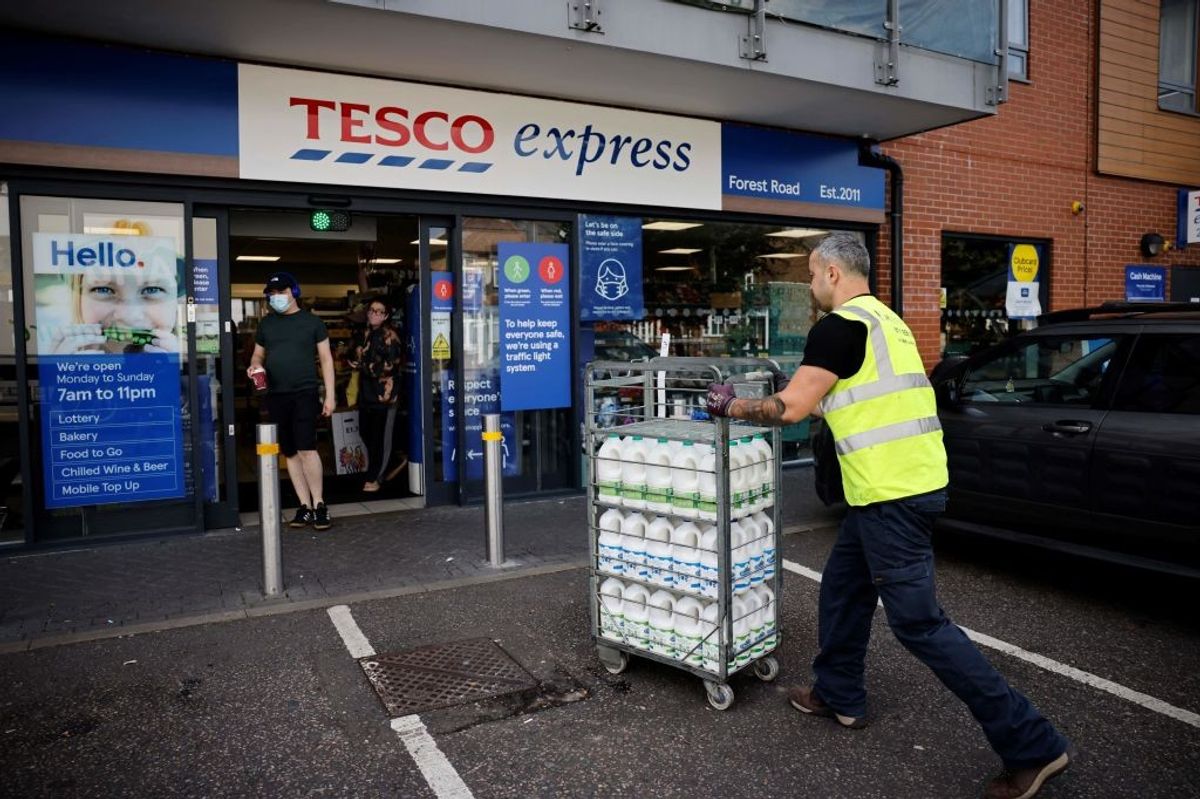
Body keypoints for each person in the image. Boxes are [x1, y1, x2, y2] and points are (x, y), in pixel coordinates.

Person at [706, 233, 1072, 799]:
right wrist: (783, 388)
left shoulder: (838, 327)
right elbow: (831, 393)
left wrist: (731, 405)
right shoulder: (889, 324)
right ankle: (838, 693)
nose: (808, 286)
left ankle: (1033, 744)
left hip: (891, 497)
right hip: (904, 487)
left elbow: (793, 408)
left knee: (921, 625)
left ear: (831, 272)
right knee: (844, 590)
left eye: (809, 275)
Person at [247, 272, 335, 531]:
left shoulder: (313, 323)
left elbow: (327, 360)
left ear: (293, 292)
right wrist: (254, 368)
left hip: (305, 392)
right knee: (290, 452)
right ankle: (304, 506)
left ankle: (319, 505)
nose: (276, 298)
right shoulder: (267, 325)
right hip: (276, 394)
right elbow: (257, 356)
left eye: (280, 292)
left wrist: (330, 396)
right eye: (271, 294)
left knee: (307, 447)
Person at [44, 243, 181, 355]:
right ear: (78, 303)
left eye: (152, 290)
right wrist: (60, 378)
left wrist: (177, 376)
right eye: (104, 290)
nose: (129, 317)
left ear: (175, 303)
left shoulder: (197, 382)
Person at [352, 298, 406, 493]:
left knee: (379, 440)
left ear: (385, 316)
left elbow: (391, 365)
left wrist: (363, 367)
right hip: (366, 395)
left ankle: (376, 477)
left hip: (385, 397)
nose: (374, 314)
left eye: (379, 311)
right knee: (364, 432)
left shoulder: (390, 336)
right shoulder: (365, 334)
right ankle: (392, 460)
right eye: (372, 310)